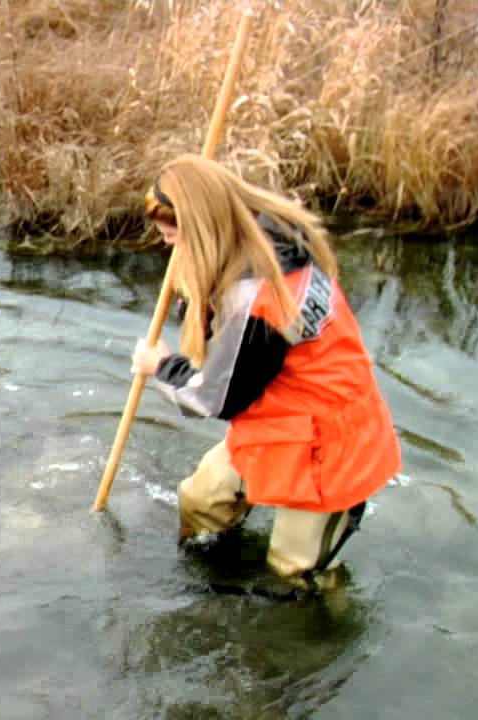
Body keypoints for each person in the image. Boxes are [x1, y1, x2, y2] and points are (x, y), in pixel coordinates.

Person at [130, 153, 401, 590]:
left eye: (173, 237)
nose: (168, 247)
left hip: (330, 445)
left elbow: (214, 397)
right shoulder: (266, 235)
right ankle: (215, 585)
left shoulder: (261, 298)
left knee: (294, 571)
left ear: (203, 230)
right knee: (201, 501)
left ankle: (315, 615)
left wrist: (160, 366)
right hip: (277, 419)